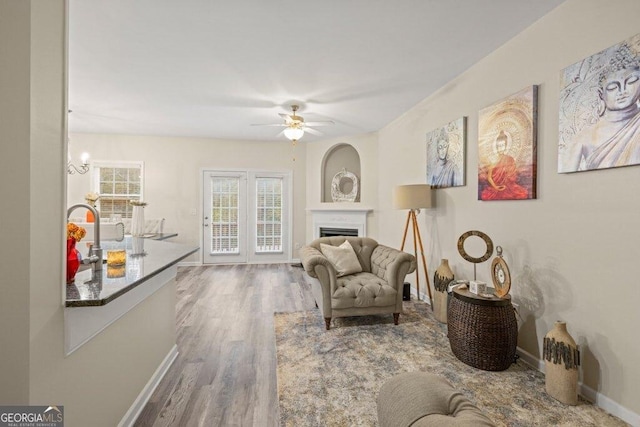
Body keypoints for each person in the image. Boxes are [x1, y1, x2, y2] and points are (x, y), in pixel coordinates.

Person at [562, 43, 640, 171]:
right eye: (613, 87)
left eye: (631, 81)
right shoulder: (584, 136)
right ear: (600, 93)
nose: (622, 91)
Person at [481, 130, 528, 200]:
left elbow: (513, 175)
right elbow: (489, 177)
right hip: (496, 187)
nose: (500, 148)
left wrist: (507, 180)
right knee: (485, 195)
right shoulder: (493, 160)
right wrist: (495, 186)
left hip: (509, 186)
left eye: (502, 145)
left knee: (522, 194)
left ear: (506, 146)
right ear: (496, 147)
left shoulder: (510, 159)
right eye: (499, 146)